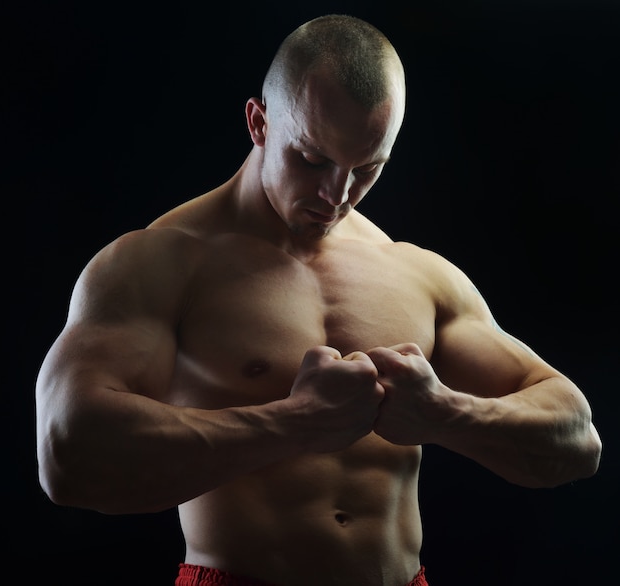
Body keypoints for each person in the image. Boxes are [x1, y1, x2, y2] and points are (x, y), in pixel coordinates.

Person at [35, 14, 602, 586]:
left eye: (367, 170)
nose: (336, 196)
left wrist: (446, 414)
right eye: (312, 160)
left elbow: (577, 438)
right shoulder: (160, 264)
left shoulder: (417, 273)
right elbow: (67, 453)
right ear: (259, 122)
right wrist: (291, 425)